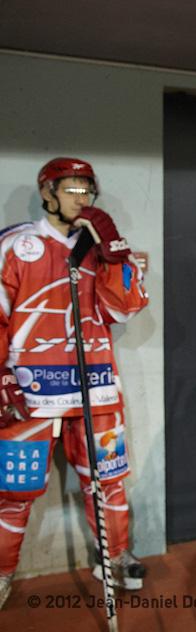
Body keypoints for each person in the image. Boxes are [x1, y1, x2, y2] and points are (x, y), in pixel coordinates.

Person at [0, 158, 149, 609]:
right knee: (14, 490)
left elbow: (125, 309)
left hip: (95, 388)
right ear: (48, 193)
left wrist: (114, 254)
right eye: (71, 189)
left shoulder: (101, 249)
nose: (81, 199)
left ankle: (115, 556)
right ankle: (2, 571)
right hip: (29, 393)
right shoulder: (15, 244)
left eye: (87, 191)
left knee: (109, 481)